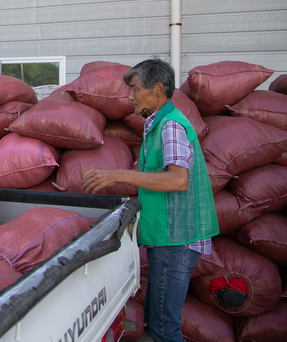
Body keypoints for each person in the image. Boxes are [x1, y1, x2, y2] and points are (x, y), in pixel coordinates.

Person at [82, 58, 218, 342]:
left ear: (157, 89)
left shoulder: (170, 126)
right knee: (158, 322)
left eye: (135, 90)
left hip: (176, 239)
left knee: (165, 329)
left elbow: (178, 180)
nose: (130, 97)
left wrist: (118, 176)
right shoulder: (156, 124)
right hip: (166, 236)